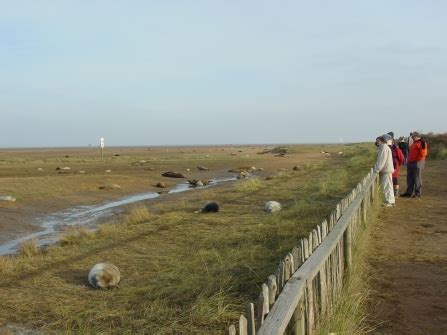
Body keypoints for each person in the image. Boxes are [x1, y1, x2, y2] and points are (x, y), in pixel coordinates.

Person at [401, 132, 428, 198]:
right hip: (411, 162)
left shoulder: (422, 143)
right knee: (409, 178)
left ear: (416, 136)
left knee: (417, 178)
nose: (412, 137)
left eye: (413, 136)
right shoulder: (414, 143)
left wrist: (416, 160)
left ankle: (418, 194)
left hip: (417, 162)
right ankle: (408, 193)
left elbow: (423, 154)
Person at [373, 136, 396, 207]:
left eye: (378, 140)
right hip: (386, 170)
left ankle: (389, 201)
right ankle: (390, 201)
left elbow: (382, 160)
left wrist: (377, 170)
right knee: (388, 186)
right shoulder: (384, 147)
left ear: (382, 141)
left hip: (386, 170)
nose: (377, 142)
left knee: (387, 186)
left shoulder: (383, 147)